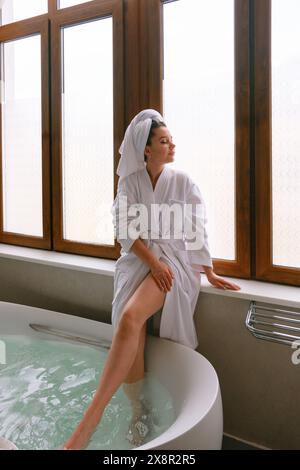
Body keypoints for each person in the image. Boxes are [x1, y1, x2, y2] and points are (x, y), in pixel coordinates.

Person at [63, 109, 240, 450]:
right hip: (140, 262)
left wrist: (209, 271)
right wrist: (151, 264)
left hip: (173, 261)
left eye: (171, 140)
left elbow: (196, 229)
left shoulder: (183, 182)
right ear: (146, 149)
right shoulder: (129, 182)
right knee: (135, 335)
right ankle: (138, 412)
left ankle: (89, 423)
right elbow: (125, 232)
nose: (172, 145)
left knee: (130, 317)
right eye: (163, 141)